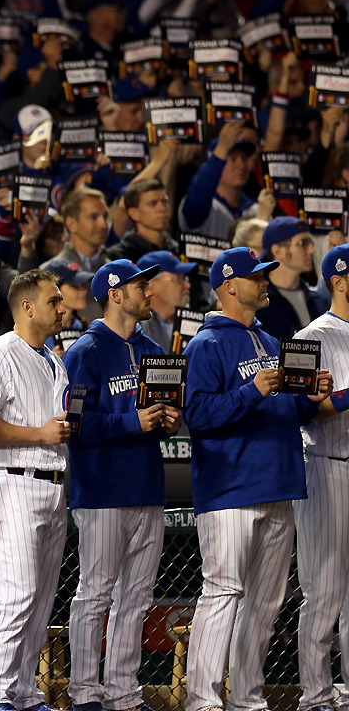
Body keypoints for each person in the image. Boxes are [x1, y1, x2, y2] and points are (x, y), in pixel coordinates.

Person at [183, 248, 332, 711]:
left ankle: (246, 697)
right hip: (230, 487)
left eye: (265, 274)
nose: (266, 281)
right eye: (256, 277)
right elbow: (197, 414)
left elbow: (287, 409)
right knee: (223, 592)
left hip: (280, 481)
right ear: (229, 286)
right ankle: (203, 700)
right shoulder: (204, 344)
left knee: (266, 603)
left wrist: (311, 396)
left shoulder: (271, 340)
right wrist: (254, 389)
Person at [63, 259, 177, 711]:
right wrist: (133, 422)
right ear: (114, 294)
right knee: (95, 593)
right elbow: (75, 424)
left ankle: (123, 692)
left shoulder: (153, 348)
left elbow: (166, 411)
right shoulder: (84, 352)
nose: (148, 292)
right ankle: (85, 692)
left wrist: (168, 420)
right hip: (101, 489)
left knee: (136, 597)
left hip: (147, 485)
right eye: (139, 286)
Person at [0, 268, 72, 711]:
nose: (63, 308)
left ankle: (23, 692)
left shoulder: (53, 358)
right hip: (10, 484)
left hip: (51, 486)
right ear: (27, 307)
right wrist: (39, 435)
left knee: (41, 600)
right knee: (18, 595)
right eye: (54, 301)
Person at [292, 244, 349, 711]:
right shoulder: (310, 338)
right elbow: (297, 413)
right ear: (340, 281)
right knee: (323, 591)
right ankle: (316, 696)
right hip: (327, 467)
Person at [177, 122, 260, 240]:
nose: (241, 165)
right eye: (233, 159)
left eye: (244, 159)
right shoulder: (202, 206)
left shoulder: (256, 209)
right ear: (217, 163)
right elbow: (200, 190)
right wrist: (221, 150)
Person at [255, 217, 329, 339]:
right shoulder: (257, 302)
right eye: (303, 244)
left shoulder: (317, 300)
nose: (311, 250)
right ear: (278, 251)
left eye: (311, 244)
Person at [107, 178, 178, 262]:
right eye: (153, 203)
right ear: (133, 214)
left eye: (164, 201)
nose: (162, 208)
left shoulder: (179, 250)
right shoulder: (119, 257)